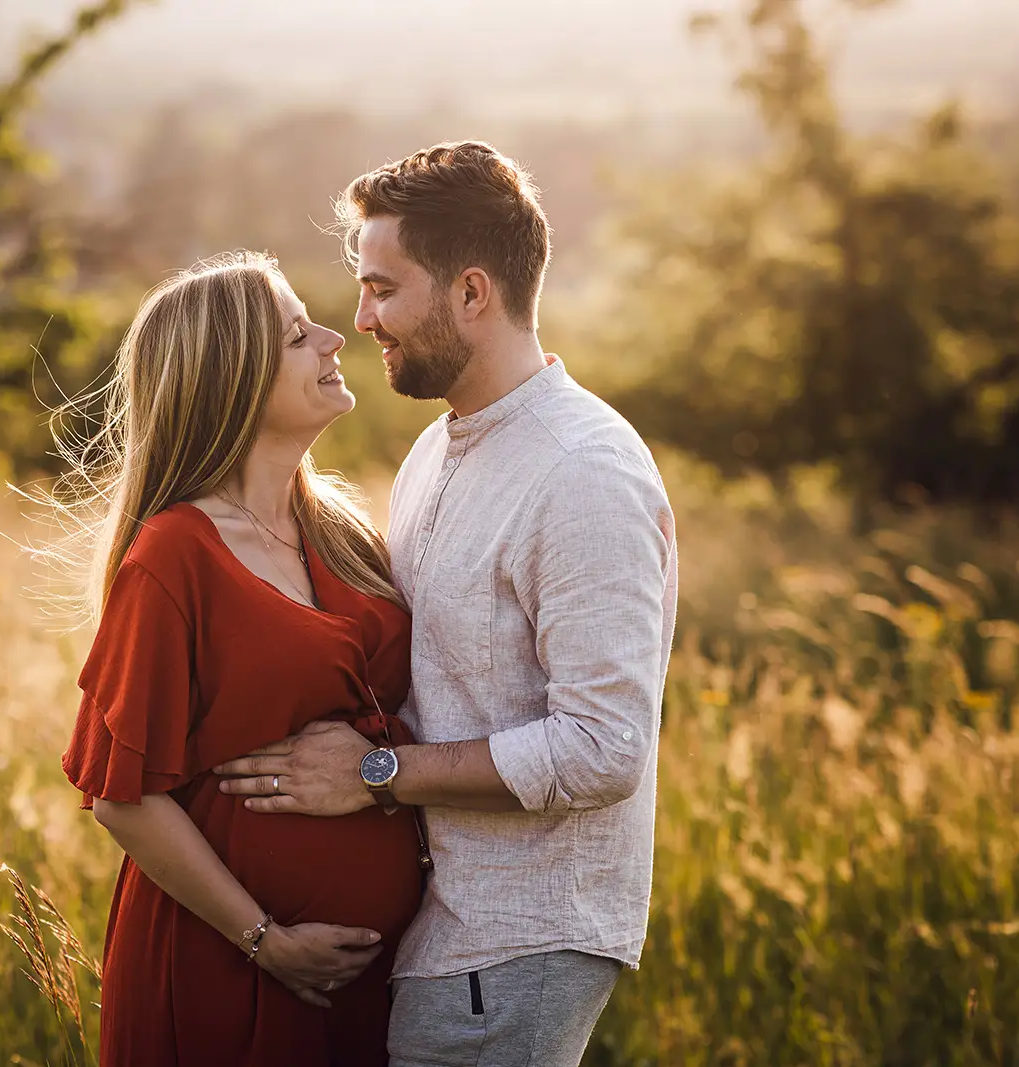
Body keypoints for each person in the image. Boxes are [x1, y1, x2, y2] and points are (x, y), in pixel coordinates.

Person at [215, 142, 680, 1067]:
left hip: (516, 943)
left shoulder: (581, 470)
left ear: (472, 292)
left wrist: (378, 772)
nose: (363, 319)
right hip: (443, 932)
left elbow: (605, 748)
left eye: (384, 289)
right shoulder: (439, 449)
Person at [55, 251, 427, 1067]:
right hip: (231, 968)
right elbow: (121, 796)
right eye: (299, 334)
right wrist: (267, 939)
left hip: (369, 980)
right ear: (233, 380)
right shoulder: (174, 554)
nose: (336, 336)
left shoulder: (342, 530)